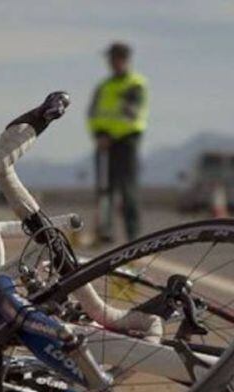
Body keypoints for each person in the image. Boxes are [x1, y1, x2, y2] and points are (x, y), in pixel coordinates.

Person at [87, 42, 149, 243]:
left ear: (124, 59)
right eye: (111, 59)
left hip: (126, 142)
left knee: (127, 189)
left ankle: (133, 235)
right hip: (104, 143)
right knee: (105, 189)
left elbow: (131, 114)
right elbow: (93, 114)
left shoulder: (135, 84)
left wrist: (110, 136)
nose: (112, 63)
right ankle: (105, 231)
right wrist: (99, 135)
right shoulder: (104, 86)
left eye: (116, 58)